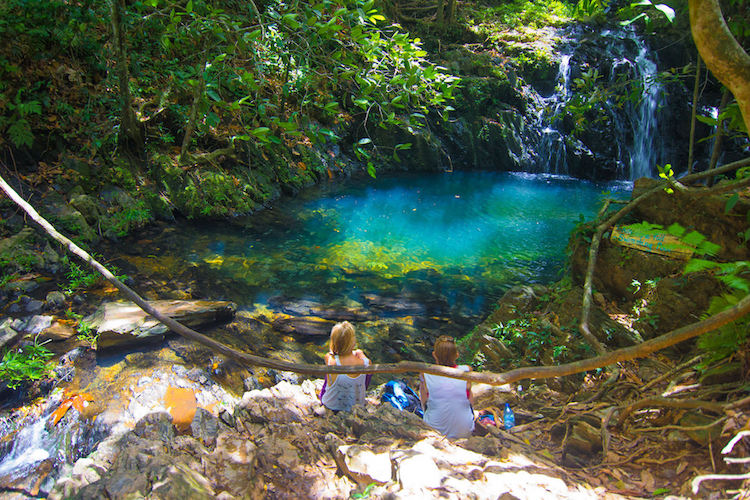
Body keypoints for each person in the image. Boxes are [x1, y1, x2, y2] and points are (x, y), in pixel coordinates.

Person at [419, 335, 474, 438]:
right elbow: (470, 401)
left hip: (434, 431)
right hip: (464, 431)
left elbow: (424, 402)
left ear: (434, 355)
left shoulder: (425, 373)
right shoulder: (466, 370)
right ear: (457, 355)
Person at [320, 321, 371, 412]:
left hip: (331, 406)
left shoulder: (330, 360)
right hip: (355, 408)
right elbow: (364, 358)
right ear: (353, 342)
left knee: (329, 377)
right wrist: (359, 352)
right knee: (367, 374)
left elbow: (331, 354)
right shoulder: (366, 363)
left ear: (333, 342)